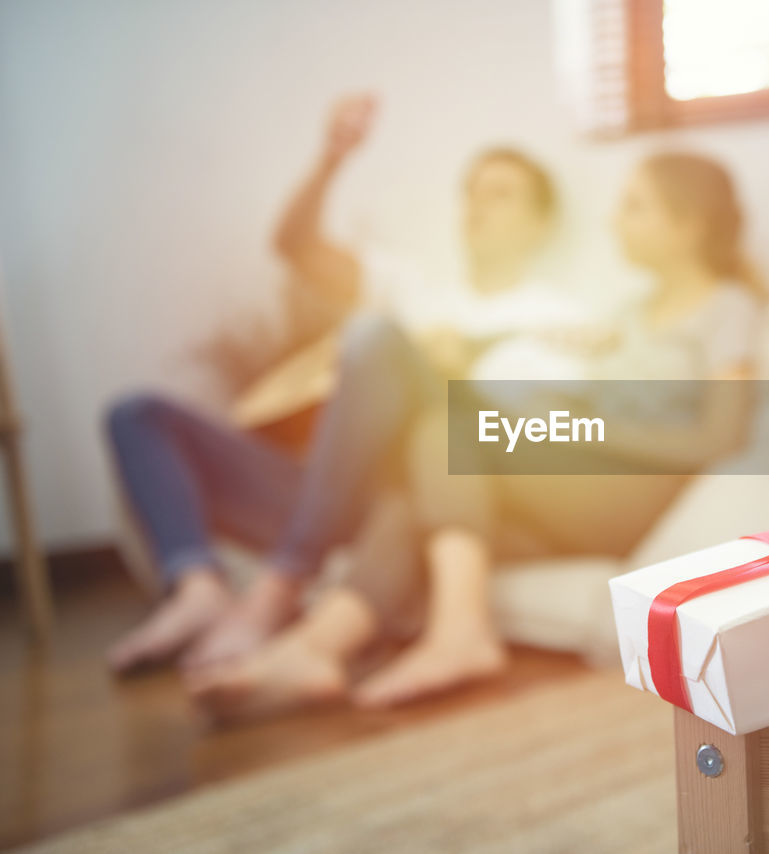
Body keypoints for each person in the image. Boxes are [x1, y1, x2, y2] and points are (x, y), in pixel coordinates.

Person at [187, 152, 768, 719]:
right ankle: (316, 648)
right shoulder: (625, 311)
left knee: (453, 420)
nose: (614, 220)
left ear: (687, 226)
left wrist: (573, 427)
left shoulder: (727, 308)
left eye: (634, 207)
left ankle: (458, 633)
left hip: (634, 496)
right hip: (580, 483)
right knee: (416, 495)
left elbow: (717, 439)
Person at [106, 93, 585, 674]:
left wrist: (443, 370)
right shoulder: (417, 285)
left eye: (500, 195)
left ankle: (279, 588)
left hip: (400, 506)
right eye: (471, 192)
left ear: (540, 222)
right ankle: (197, 586)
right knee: (137, 415)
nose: (477, 207)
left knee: (374, 335)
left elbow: (526, 439)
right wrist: (330, 159)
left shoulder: (559, 320)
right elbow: (294, 247)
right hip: (322, 489)